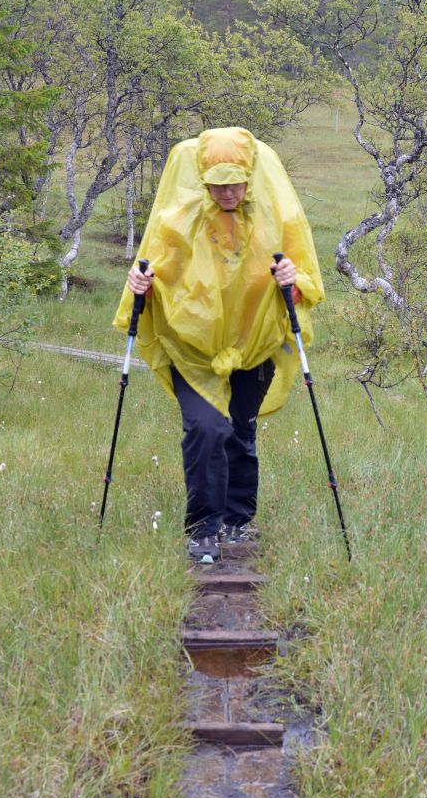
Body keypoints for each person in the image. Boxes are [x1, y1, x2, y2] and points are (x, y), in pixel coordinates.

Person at [113, 127, 324, 562]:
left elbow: (304, 277)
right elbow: (156, 271)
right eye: (217, 182)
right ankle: (203, 528)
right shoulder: (181, 218)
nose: (227, 190)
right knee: (207, 429)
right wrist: (141, 284)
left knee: (241, 432)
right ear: (203, 179)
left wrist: (293, 282)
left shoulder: (273, 218)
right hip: (193, 348)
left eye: (235, 181)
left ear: (249, 176)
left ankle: (237, 520)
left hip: (255, 341)